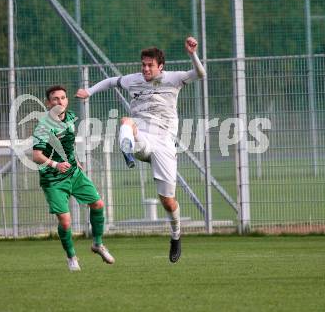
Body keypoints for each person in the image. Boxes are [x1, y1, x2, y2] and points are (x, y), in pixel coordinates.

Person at [76, 37, 206, 263]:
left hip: (164, 142)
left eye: (150, 65)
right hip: (141, 137)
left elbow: (200, 74)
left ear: (160, 66)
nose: (145, 69)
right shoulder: (133, 80)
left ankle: (176, 235)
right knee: (126, 121)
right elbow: (110, 82)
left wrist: (192, 54)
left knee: (167, 201)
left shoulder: (173, 79)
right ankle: (126, 149)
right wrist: (89, 91)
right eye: (143, 64)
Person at [32, 85, 115, 271]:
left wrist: (75, 160)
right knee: (66, 221)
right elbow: (36, 156)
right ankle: (71, 257)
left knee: (98, 204)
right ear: (48, 103)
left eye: (63, 98)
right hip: (53, 179)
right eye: (55, 99)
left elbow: (67, 144)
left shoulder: (69, 118)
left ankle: (97, 244)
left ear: (67, 101)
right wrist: (56, 164)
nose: (59, 101)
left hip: (73, 173)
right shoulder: (43, 126)